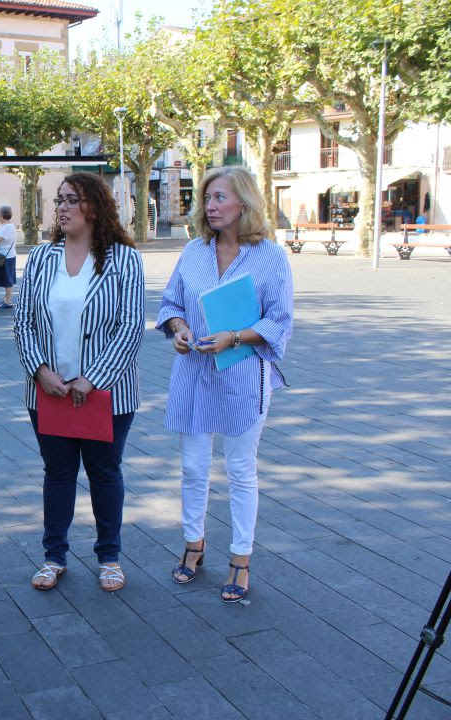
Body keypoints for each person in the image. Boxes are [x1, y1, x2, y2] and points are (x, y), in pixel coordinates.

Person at [155, 166, 294, 604]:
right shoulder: (194, 251)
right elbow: (172, 302)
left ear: (244, 204)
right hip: (194, 371)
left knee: (240, 469)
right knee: (193, 467)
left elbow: (280, 319)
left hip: (242, 372)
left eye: (219, 198)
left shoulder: (270, 256)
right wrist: (178, 328)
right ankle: (194, 543)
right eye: (207, 198)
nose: (210, 206)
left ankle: (240, 556)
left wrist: (236, 337)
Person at [13, 172, 145, 593]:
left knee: (105, 473)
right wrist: (40, 371)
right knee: (58, 473)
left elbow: (130, 327)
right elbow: (23, 323)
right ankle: (54, 556)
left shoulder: (124, 259)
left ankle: (109, 556)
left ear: (95, 206)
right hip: (48, 391)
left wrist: (95, 379)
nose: (63, 208)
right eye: (59, 200)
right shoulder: (40, 257)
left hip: (106, 393)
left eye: (72, 200)